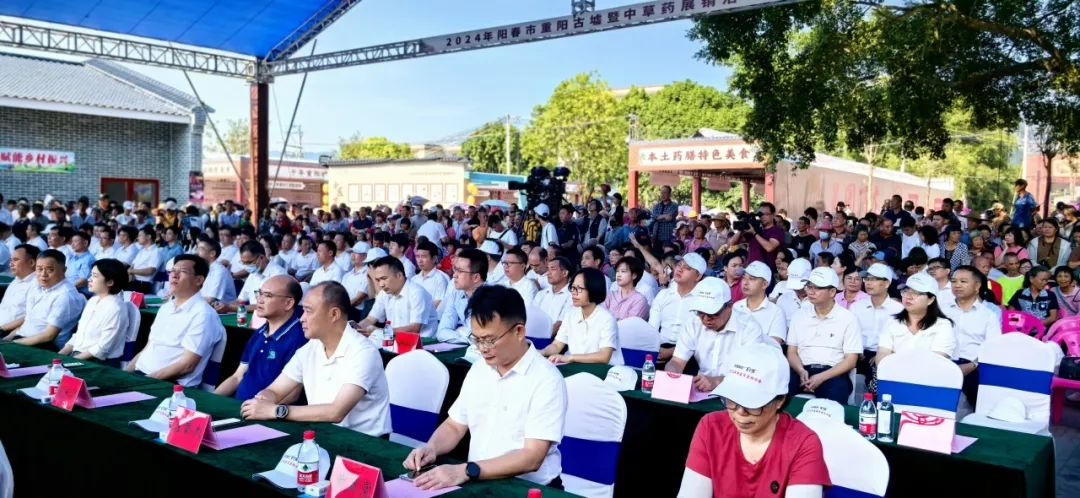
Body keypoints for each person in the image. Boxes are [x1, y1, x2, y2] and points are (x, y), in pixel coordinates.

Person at [404, 285, 567, 490]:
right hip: (479, 479)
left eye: (490, 340)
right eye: (477, 339)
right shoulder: (479, 369)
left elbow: (531, 457)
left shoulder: (546, 379)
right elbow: (455, 425)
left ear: (519, 331)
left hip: (527, 488)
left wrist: (465, 470)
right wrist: (431, 447)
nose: (482, 349)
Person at [678, 342, 830, 498]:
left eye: (753, 404)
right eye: (732, 400)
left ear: (780, 401)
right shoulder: (711, 427)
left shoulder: (803, 443)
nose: (740, 412)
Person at [240, 282, 391, 436]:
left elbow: (336, 412)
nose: (302, 319)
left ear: (334, 314)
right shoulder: (311, 348)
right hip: (323, 434)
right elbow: (275, 390)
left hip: (364, 442)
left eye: (308, 311)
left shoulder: (363, 352)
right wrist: (263, 399)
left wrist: (276, 410)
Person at [127, 255, 225, 387]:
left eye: (182, 272)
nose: (174, 275)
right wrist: (126, 375)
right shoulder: (166, 308)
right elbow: (149, 348)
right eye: (172, 271)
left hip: (168, 385)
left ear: (199, 280)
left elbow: (187, 365)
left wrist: (143, 382)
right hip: (142, 376)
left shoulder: (203, 315)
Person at [667, 276, 771, 391]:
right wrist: (672, 374)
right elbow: (677, 361)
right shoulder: (693, 323)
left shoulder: (749, 328)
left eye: (713, 314)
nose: (706, 319)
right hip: (701, 388)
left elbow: (752, 374)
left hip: (738, 390)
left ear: (730, 306)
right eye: (700, 312)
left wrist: (717, 381)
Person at [215, 275, 308, 401]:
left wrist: (259, 411)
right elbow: (237, 377)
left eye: (268, 295)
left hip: (264, 414)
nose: (259, 300)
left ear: (288, 303)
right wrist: (212, 399)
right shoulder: (260, 332)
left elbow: (292, 394)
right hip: (239, 406)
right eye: (259, 293)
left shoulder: (300, 338)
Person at [786, 268, 862, 404]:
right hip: (801, 370)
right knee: (779, 392)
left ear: (832, 292)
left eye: (817, 288)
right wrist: (801, 370)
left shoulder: (848, 318)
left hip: (832, 373)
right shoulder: (799, 315)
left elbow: (851, 360)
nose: (811, 291)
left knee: (834, 397)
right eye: (809, 286)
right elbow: (791, 351)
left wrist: (821, 377)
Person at [873, 272, 956, 373]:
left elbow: (936, 362)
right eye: (906, 291)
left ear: (931, 299)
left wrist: (895, 359)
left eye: (916, 293)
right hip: (893, 378)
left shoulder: (943, 325)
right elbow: (882, 355)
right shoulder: (892, 322)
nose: (908, 296)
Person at [2, 249, 85, 349]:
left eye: (50, 270)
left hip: (44, 346)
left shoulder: (65, 295)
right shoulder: (38, 287)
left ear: (64, 270)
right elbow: (27, 322)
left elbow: (48, 336)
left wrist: (12, 344)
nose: (43, 274)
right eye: (39, 269)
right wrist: (6, 339)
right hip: (22, 338)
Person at [943, 266, 1002, 409]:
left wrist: (972, 365)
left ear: (977, 286)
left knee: (981, 400)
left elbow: (992, 348)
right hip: (944, 362)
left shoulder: (989, 315)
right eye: (954, 281)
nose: (957, 285)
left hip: (974, 366)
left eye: (963, 281)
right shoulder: (942, 310)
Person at [539, 267, 622, 365]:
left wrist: (570, 357)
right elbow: (557, 345)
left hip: (603, 370)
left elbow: (604, 356)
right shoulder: (570, 314)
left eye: (579, 289)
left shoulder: (606, 318)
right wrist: (541, 352)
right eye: (573, 288)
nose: (574, 293)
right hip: (574, 365)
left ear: (593, 289)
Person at [58, 259, 130, 365]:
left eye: (95, 276)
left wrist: (72, 360)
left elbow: (103, 348)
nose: (89, 279)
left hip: (99, 362)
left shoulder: (116, 307)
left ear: (110, 282)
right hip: (79, 356)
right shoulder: (93, 301)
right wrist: (60, 355)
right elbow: (79, 335)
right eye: (91, 275)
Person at [355, 256, 438, 338]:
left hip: (424, 344)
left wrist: (381, 332)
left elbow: (414, 328)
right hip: (396, 340)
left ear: (399, 275)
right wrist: (356, 328)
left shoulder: (417, 293)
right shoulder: (384, 293)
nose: (381, 284)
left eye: (384, 278)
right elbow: (370, 319)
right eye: (378, 280)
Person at [650, 252, 706, 361]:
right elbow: (652, 328)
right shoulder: (663, 294)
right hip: (659, 349)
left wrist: (672, 352)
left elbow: (701, 338)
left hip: (689, 354)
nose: (680, 269)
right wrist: (654, 349)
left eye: (687, 268)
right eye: (679, 265)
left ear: (698, 276)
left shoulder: (702, 300)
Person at [215, 241, 288, 313]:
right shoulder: (253, 274)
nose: (246, 266)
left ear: (261, 257)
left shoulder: (278, 275)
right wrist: (223, 306)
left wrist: (231, 308)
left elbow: (267, 306)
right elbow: (240, 300)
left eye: (249, 262)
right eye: (243, 263)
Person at [438, 249, 489, 344]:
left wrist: (461, 331)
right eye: (455, 269)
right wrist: (465, 334)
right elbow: (442, 332)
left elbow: (484, 339)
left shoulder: (492, 296)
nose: (454, 275)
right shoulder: (456, 293)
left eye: (460, 271)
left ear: (476, 277)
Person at [732, 261, 787, 344]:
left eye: (752, 279)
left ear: (764, 284)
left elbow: (774, 345)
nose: (745, 283)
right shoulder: (736, 307)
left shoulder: (776, 312)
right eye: (744, 277)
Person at [728, 202, 785, 269]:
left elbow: (769, 248)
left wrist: (754, 233)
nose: (762, 217)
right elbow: (732, 243)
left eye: (766, 214)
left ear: (773, 215)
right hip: (751, 269)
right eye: (760, 215)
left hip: (766, 271)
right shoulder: (755, 229)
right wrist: (742, 226)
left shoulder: (777, 231)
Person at [0, 245, 39, 336]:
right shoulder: (16, 280)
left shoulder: (37, 284)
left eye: (16, 260)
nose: (11, 264)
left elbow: (30, 317)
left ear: (31, 262)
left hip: (10, 331)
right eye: (11, 260)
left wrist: (2, 329)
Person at [532, 257, 574, 337]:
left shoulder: (572, 295)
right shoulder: (541, 294)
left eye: (553, 269)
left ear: (565, 273)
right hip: (535, 337)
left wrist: (541, 338)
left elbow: (560, 324)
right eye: (548, 269)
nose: (548, 273)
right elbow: (532, 318)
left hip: (556, 340)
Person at [1008, 265, 1059, 330]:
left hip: (1042, 332)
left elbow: (1053, 317)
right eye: (1042, 280)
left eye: (1046, 280)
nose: (1045, 283)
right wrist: (1024, 326)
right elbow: (1011, 313)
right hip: (1022, 330)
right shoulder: (1020, 294)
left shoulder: (1050, 295)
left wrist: (1035, 324)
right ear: (1031, 279)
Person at [604, 256, 649, 320]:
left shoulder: (639, 300)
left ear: (634, 275)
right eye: (617, 271)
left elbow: (629, 325)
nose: (618, 275)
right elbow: (600, 318)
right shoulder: (609, 295)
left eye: (623, 271)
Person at [195, 237, 237, 304]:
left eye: (201, 249)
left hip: (224, 312)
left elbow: (210, 299)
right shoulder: (203, 269)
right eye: (197, 248)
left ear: (212, 253)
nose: (196, 252)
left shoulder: (220, 271)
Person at [412, 241, 450, 310]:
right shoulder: (414, 279)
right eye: (417, 256)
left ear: (434, 258)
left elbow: (439, 303)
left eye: (424, 256)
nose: (420, 260)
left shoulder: (440, 279)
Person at [342, 241, 374, 321]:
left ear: (366, 256)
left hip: (358, 313)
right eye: (352, 253)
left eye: (356, 253)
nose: (352, 255)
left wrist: (340, 307)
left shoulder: (368, 273)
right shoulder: (347, 275)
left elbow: (359, 298)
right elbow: (340, 293)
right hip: (345, 309)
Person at [127, 226, 160, 293]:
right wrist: (130, 274)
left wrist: (131, 271)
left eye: (140, 235)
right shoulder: (142, 250)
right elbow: (132, 266)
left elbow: (150, 271)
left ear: (148, 236)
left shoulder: (156, 252)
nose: (137, 238)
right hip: (134, 282)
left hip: (143, 284)